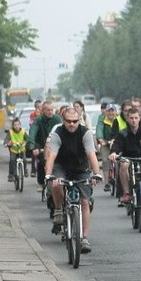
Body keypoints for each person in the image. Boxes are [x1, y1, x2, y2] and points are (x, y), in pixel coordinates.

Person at [44, 106, 103, 253]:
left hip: (80, 168)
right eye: (68, 121)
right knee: (57, 184)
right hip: (61, 167)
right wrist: (48, 175)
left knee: (84, 201)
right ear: (63, 120)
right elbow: (51, 156)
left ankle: (84, 239)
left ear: (79, 120)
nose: (72, 124)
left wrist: (97, 173)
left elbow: (91, 155)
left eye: (75, 121)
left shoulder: (86, 133)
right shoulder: (58, 133)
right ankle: (58, 210)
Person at [108, 106, 141, 204]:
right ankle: (126, 193)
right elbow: (117, 145)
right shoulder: (123, 133)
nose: (134, 121)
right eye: (131, 118)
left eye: (136, 118)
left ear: (139, 118)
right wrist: (113, 153)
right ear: (127, 119)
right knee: (124, 165)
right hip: (128, 157)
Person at [28, 101, 61, 189]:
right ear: (42, 111)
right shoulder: (38, 120)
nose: (50, 112)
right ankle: (41, 183)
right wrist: (33, 146)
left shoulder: (57, 119)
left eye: (51, 110)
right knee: (42, 162)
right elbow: (32, 132)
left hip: (55, 146)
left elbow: (63, 131)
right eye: (48, 110)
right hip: (41, 145)